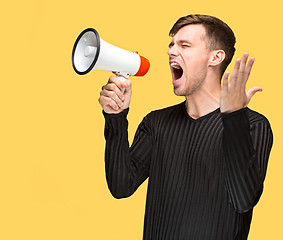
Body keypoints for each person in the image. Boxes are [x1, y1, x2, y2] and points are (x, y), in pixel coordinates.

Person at [98, 14, 273, 240]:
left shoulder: (252, 126)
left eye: (184, 45)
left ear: (215, 57)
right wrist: (116, 118)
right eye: (171, 44)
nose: (171, 51)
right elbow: (121, 186)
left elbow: (244, 200)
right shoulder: (156, 123)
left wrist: (233, 119)